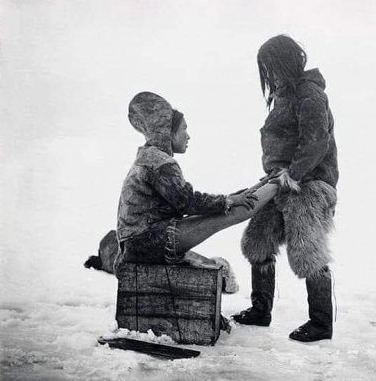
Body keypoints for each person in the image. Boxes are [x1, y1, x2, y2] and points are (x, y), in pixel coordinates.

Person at [232, 35, 339, 342]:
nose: (269, 73)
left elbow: (316, 140)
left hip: (309, 183)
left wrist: (293, 174)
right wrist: (278, 178)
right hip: (280, 182)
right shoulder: (285, 95)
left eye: (272, 66)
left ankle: (321, 323)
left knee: (307, 252)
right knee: (257, 241)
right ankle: (260, 310)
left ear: (285, 62)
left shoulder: (309, 94)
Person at [113, 91, 279, 276]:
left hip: (138, 243)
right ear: (168, 132)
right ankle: (281, 182)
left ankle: (272, 183)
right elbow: (188, 202)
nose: (188, 135)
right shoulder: (160, 162)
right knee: (232, 214)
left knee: (232, 205)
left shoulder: (149, 156)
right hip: (146, 242)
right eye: (183, 129)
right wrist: (229, 201)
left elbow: (185, 200)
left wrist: (239, 195)